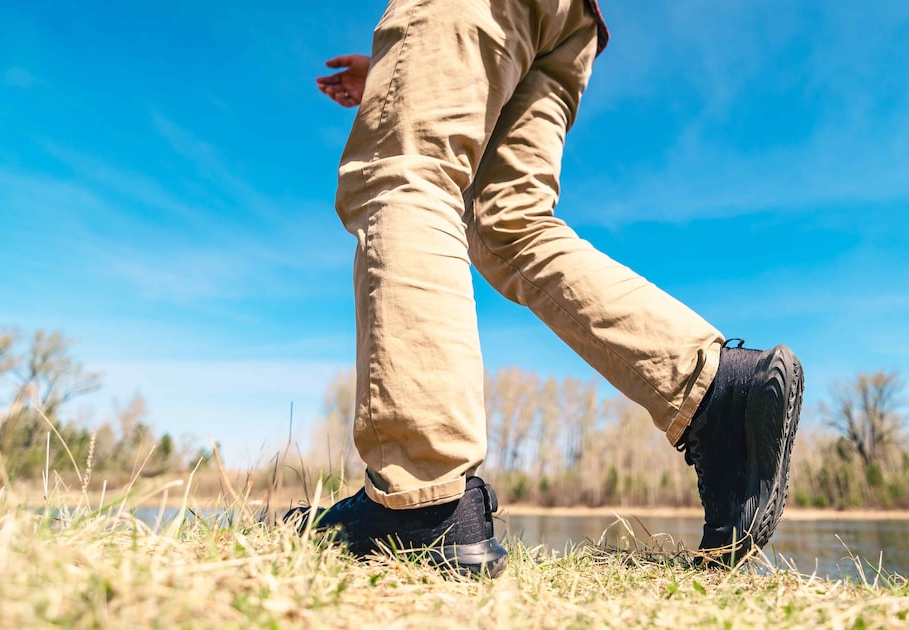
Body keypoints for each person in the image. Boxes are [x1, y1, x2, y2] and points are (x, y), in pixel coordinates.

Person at [288, 0, 804, 578]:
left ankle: (421, 500)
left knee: (408, 172)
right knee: (509, 225)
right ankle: (713, 390)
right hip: (570, 24)